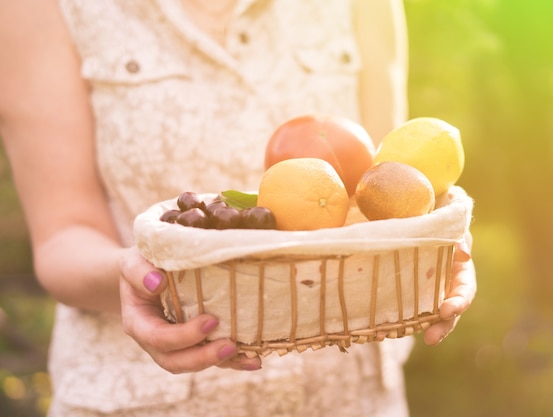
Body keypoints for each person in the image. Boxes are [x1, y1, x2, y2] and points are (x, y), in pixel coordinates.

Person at [0, 0, 476, 416]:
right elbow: (64, 236)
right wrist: (140, 278)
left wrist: (433, 246)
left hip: (348, 399)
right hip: (140, 403)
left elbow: (391, 185)